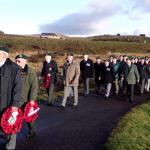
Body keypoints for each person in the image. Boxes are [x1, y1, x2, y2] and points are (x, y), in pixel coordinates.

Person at [0, 46, 22, 150]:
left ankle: (10, 146)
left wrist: (15, 103)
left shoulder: (14, 68)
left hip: (8, 102)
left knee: (11, 123)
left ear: (4, 55)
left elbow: (18, 86)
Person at [15, 54, 38, 138]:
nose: (16, 62)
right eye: (16, 61)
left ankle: (32, 130)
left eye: (19, 61)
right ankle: (12, 132)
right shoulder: (14, 71)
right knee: (14, 117)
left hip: (26, 99)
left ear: (25, 61)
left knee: (29, 118)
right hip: (16, 99)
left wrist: (32, 100)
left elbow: (34, 87)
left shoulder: (31, 72)